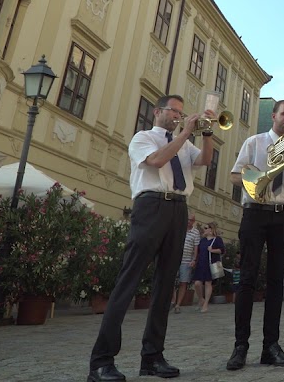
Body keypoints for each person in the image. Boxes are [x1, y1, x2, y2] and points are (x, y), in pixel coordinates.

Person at [89, 95, 216, 382]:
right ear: (158, 111)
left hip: (178, 209)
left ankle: (152, 357)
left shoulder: (184, 144)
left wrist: (207, 132)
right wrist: (185, 132)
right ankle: (101, 360)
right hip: (151, 205)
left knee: (164, 285)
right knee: (129, 279)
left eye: (182, 113)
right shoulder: (143, 137)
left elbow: (206, 160)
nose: (178, 116)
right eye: (175, 112)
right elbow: (158, 160)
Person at [225, 100, 284, 371]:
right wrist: (257, 178)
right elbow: (234, 176)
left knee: (276, 282)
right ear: (274, 116)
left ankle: (270, 346)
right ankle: (240, 346)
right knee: (247, 278)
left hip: (283, 214)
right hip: (255, 211)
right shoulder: (255, 142)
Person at [193, 222, 223, 313]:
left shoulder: (217, 239)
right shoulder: (202, 240)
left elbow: (222, 250)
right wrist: (194, 261)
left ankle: (205, 304)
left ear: (211, 230)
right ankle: (201, 299)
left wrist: (212, 250)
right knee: (197, 283)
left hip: (211, 264)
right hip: (201, 264)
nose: (204, 230)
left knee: (208, 283)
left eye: (205, 228)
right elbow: (198, 252)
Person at [173, 215, 200, 314]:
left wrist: (194, 260)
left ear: (193, 222)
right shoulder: (179, 228)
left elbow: (196, 247)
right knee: (170, 280)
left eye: (191, 220)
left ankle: (178, 305)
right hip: (175, 259)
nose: (188, 221)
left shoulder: (196, 232)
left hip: (187, 261)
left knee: (183, 282)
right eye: (187, 219)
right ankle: (172, 300)